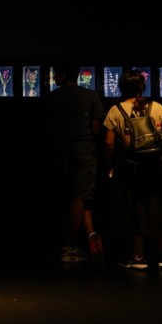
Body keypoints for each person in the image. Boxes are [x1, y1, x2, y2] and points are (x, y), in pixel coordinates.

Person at [103, 69, 162, 270]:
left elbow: (109, 144)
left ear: (122, 87)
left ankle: (139, 257)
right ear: (142, 86)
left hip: (131, 168)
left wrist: (110, 166)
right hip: (157, 166)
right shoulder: (156, 107)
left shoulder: (115, 111)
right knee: (160, 209)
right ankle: (161, 256)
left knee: (134, 211)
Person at [44, 63, 106, 263]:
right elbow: (96, 128)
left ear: (63, 75)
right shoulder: (90, 96)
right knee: (81, 196)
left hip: (60, 151)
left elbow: (48, 126)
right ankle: (69, 244)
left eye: (56, 74)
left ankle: (79, 238)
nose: (54, 78)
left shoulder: (52, 97)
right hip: (84, 151)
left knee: (68, 196)